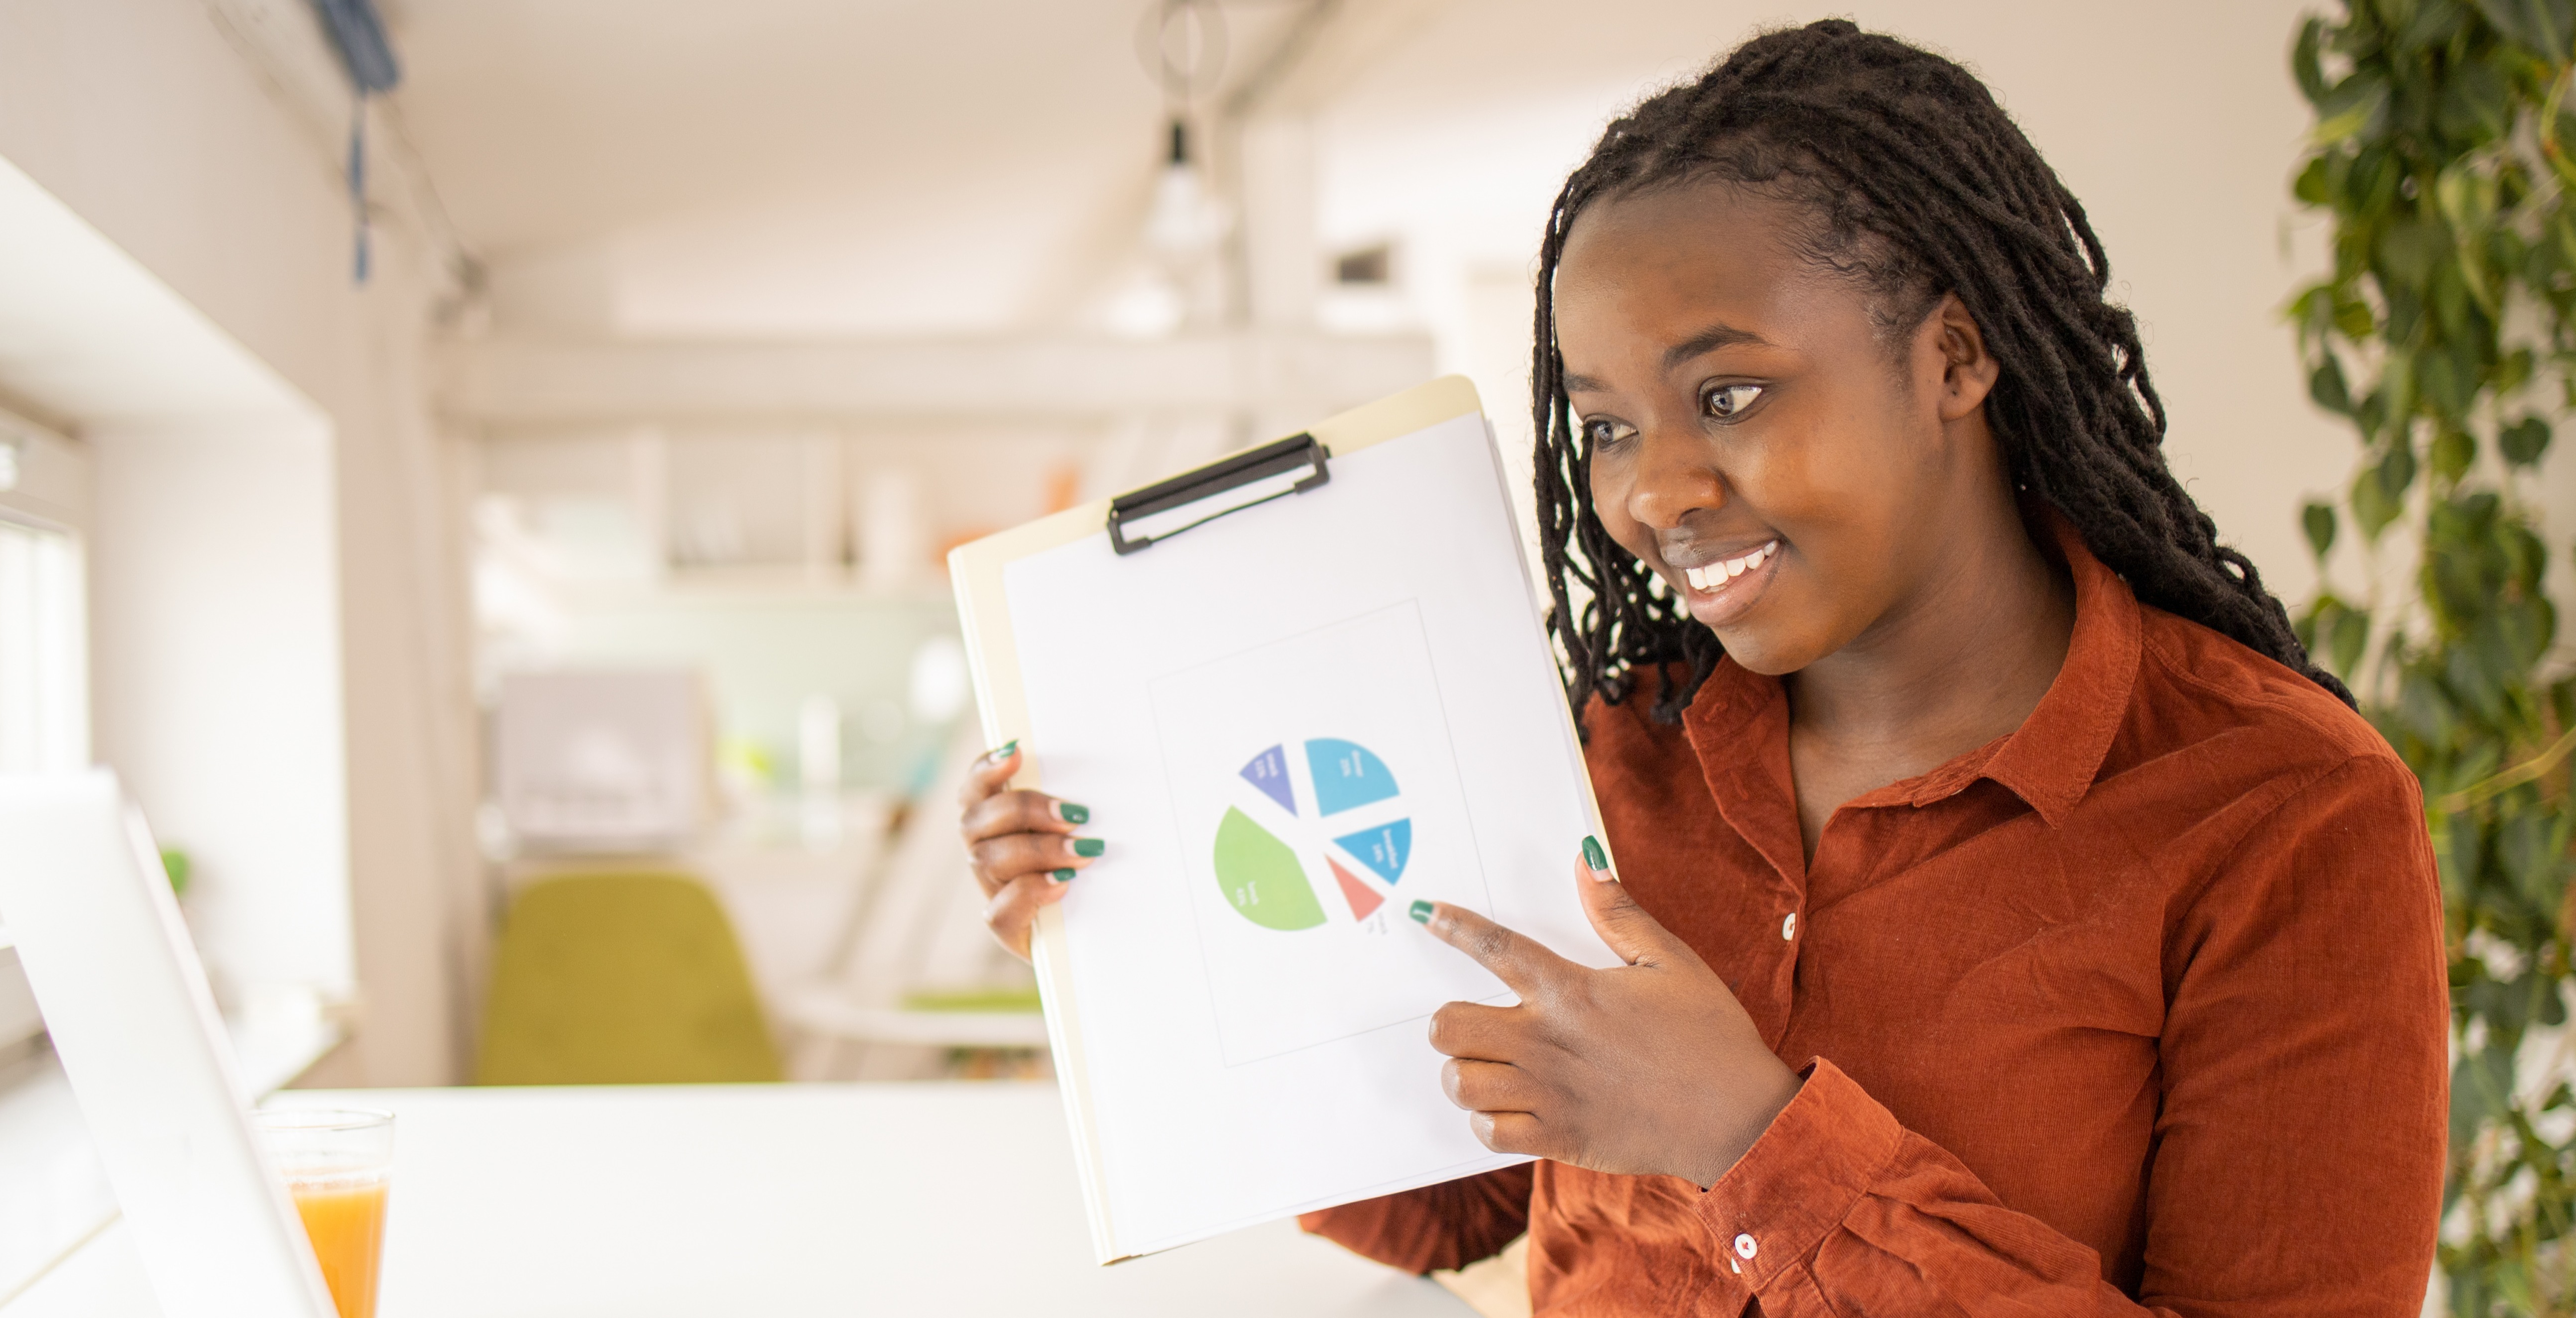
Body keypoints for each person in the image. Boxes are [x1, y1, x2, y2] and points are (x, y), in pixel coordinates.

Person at [959, 19, 2445, 1314]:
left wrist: (1754, 1141)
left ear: (1958, 357)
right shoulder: (1624, 754)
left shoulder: (2281, 813)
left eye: (1726, 393)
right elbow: (1453, 1203)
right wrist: (1129, 952)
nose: (1650, 493)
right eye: (1606, 424)